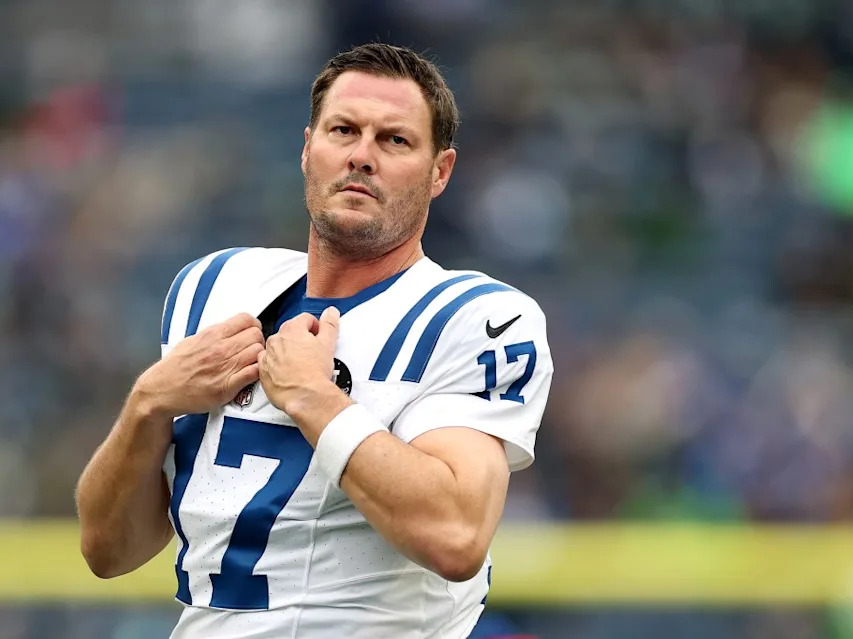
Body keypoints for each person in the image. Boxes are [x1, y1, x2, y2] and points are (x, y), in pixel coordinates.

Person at [75, 43, 553, 638]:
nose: (361, 157)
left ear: (440, 172)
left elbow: (455, 537)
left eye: (394, 140)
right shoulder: (215, 286)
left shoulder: (474, 318)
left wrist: (315, 399)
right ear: (308, 148)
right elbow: (108, 552)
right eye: (343, 130)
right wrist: (148, 403)